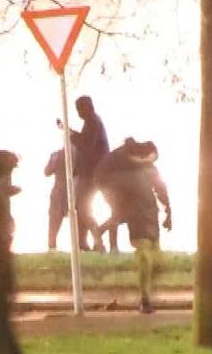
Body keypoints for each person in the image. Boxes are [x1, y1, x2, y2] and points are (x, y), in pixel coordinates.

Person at [96, 139, 171, 313]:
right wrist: (120, 209)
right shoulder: (121, 170)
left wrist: (168, 210)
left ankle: (147, 294)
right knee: (145, 257)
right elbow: (107, 185)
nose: (153, 161)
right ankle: (145, 299)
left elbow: (160, 187)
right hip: (137, 218)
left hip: (150, 214)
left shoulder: (149, 168)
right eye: (152, 158)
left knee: (156, 259)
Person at [72, 95, 110, 252]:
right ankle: (83, 243)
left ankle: (98, 242)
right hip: (91, 173)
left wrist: (71, 135)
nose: (78, 114)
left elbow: (87, 147)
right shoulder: (92, 122)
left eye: (79, 110)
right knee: (81, 208)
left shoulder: (93, 122)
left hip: (92, 174)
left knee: (82, 209)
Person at [44, 146, 68, 252]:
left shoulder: (80, 152)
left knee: (84, 217)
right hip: (59, 190)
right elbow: (47, 172)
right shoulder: (57, 154)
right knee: (55, 218)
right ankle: (52, 246)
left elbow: (47, 171)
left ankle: (89, 245)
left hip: (72, 188)